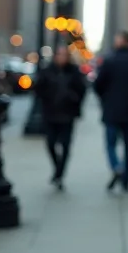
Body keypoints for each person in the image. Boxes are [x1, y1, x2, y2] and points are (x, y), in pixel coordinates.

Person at [93, 31, 128, 193]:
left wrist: (104, 99)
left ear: (120, 41)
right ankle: (126, 180)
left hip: (111, 110)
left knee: (111, 144)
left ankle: (117, 167)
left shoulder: (109, 61)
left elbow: (98, 85)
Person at [34, 46, 87, 191]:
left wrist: (73, 99)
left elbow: (82, 90)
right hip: (50, 113)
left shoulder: (74, 72)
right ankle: (57, 167)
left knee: (65, 146)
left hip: (67, 114)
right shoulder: (47, 71)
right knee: (50, 143)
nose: (62, 58)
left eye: (65, 55)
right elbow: (38, 89)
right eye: (60, 55)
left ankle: (59, 174)